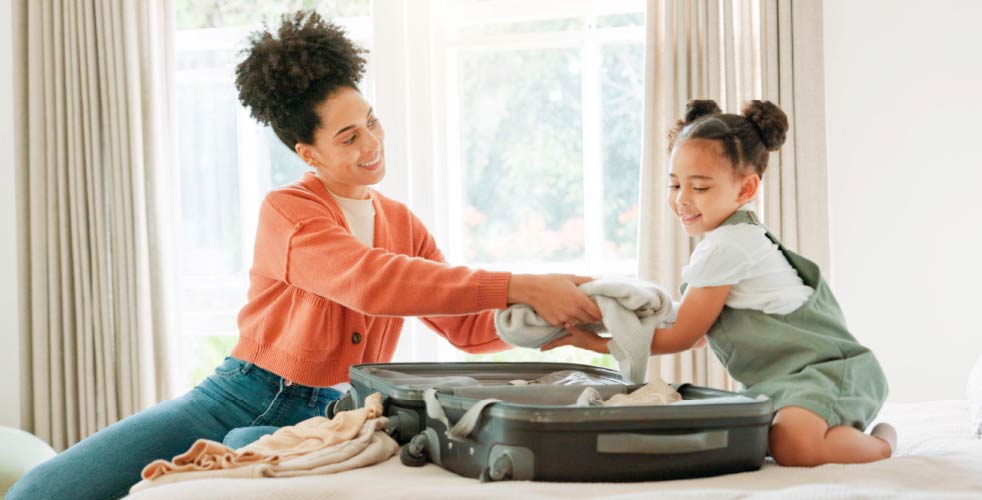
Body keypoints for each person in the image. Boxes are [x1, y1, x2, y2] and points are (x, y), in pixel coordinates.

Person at [6, 11, 601, 500]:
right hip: (232, 395)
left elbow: (467, 329)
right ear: (307, 152)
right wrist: (522, 282)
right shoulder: (289, 212)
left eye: (372, 123)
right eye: (349, 137)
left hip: (334, 416)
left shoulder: (402, 223)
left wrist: (561, 327)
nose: (372, 144)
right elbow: (371, 282)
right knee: (42, 492)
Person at [543, 99, 896, 467]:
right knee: (750, 440)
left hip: (828, 374)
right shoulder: (727, 240)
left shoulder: (729, 246)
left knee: (795, 447)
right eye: (674, 183)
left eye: (700, 187)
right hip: (780, 383)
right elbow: (697, 333)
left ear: (745, 190)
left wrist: (597, 344)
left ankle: (883, 443)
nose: (682, 199)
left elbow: (682, 336)